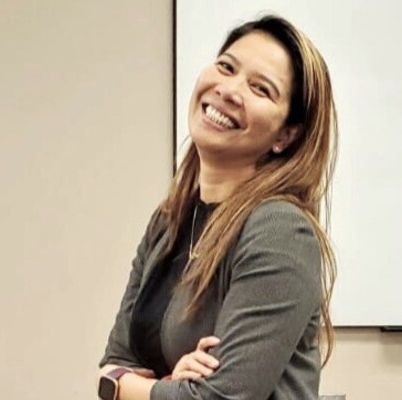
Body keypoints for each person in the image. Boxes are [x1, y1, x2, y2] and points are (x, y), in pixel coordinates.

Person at [98, 14, 338, 400]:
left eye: (260, 89)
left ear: (286, 135)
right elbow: (114, 360)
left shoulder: (279, 230)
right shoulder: (168, 222)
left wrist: (134, 387)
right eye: (226, 67)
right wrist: (170, 387)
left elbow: (220, 398)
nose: (229, 89)